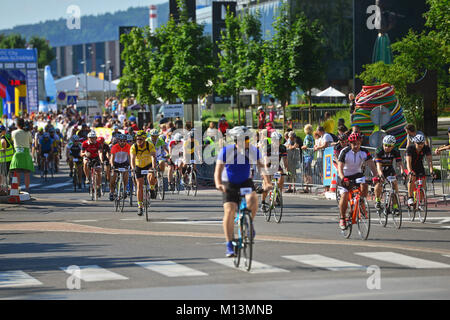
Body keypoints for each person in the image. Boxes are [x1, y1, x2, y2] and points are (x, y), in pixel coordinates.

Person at [214, 126, 272, 257]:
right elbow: (218, 170)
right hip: (229, 182)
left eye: (248, 139)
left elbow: (261, 167)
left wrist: (267, 182)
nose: (247, 142)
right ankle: (229, 244)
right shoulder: (226, 151)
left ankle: (248, 222)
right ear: (237, 140)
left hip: (245, 181)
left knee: (253, 198)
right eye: (244, 139)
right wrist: (218, 183)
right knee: (229, 210)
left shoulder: (252, 150)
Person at [337, 132, 377, 230]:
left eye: (358, 143)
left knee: (364, 185)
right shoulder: (344, 152)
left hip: (357, 174)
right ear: (350, 143)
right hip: (345, 175)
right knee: (345, 195)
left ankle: (360, 204)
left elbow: (371, 165)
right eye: (354, 144)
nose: (356, 146)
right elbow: (339, 168)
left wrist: (376, 175)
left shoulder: (364, 151)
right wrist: (343, 178)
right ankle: (342, 218)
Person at [373, 136, 405, 211]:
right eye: (385, 145)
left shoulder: (395, 150)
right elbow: (378, 165)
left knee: (394, 184)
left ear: (393, 146)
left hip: (389, 168)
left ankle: (395, 206)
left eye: (389, 146)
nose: (387, 147)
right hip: (378, 168)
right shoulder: (379, 150)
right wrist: (380, 174)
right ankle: (377, 201)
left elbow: (399, 162)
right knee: (379, 183)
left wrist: (402, 171)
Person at [130, 130, 157, 216]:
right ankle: (140, 206)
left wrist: (153, 167)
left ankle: (152, 188)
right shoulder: (134, 147)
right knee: (139, 186)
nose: (138, 141)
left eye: (140, 139)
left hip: (148, 164)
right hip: (138, 166)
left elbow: (153, 157)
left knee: (151, 175)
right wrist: (133, 168)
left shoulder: (150, 145)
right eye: (137, 139)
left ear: (144, 139)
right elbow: (132, 159)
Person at [260, 131, 288, 211]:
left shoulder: (282, 148)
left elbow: (285, 160)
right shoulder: (267, 148)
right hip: (267, 167)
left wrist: (287, 169)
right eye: (276, 140)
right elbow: (265, 160)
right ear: (272, 140)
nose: (278, 142)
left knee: (281, 177)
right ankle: (263, 202)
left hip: (276, 167)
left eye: (279, 140)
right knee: (266, 187)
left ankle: (277, 193)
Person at [405, 134, 434, 206]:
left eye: (422, 143)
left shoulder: (426, 148)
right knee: (412, 178)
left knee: (423, 182)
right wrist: (410, 172)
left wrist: (431, 171)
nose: (420, 145)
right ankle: (410, 197)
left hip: (419, 166)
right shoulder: (410, 148)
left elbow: (429, 161)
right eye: (418, 143)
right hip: (410, 165)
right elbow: (408, 162)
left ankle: (419, 202)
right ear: (415, 143)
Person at [9, 118, 34, 193]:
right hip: (26, 154)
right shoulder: (28, 133)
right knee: (27, 174)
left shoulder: (13, 132)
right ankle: (27, 189)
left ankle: (17, 189)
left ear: (17, 124)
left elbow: (12, 140)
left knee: (17, 174)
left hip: (17, 154)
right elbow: (30, 142)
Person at [81, 131, 104, 197]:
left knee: (99, 171)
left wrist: (101, 160)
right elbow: (81, 153)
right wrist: (85, 154)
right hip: (88, 157)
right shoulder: (84, 143)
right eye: (90, 138)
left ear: (96, 138)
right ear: (88, 138)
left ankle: (98, 187)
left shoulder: (98, 143)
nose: (92, 139)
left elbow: (100, 152)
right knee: (85, 163)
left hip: (96, 157)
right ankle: (87, 177)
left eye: (93, 138)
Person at [109, 134, 131, 201]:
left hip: (124, 162)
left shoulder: (128, 146)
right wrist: (112, 166)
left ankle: (124, 190)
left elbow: (130, 157)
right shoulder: (115, 147)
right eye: (121, 141)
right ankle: (111, 192)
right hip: (116, 163)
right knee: (113, 177)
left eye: (124, 141)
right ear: (118, 141)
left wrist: (130, 165)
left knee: (126, 176)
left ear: (126, 141)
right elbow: (112, 158)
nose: (122, 142)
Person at [0, 125, 14, 194]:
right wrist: (3, 149)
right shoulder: (3, 138)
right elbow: (3, 142)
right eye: (4, 130)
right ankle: (3, 189)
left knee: (2, 175)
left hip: (4, 160)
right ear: (2, 131)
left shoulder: (3, 137)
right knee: (3, 175)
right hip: (5, 160)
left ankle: (3, 189)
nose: (5, 131)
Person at [301, 124, 315, 193]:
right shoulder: (311, 137)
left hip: (307, 155)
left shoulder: (308, 137)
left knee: (307, 171)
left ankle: (307, 186)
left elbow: (307, 145)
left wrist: (302, 147)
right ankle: (308, 186)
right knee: (308, 171)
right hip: (309, 155)